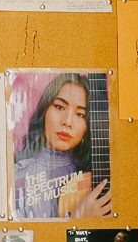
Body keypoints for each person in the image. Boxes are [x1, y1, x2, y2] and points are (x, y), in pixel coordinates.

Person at [12, 73, 112, 219]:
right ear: (44, 110)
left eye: (80, 114)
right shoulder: (16, 177)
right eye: (59, 107)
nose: (67, 121)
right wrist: (77, 221)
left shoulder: (97, 178)